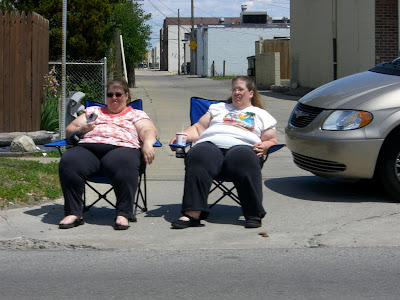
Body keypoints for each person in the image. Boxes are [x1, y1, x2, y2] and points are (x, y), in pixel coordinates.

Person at [169, 76, 278, 229]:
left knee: (245, 159)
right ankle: (192, 214)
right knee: (197, 155)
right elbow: (198, 128)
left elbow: (272, 139)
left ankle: (253, 213)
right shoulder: (218, 108)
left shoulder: (260, 114)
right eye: (234, 89)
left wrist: (266, 145)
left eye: (240, 89)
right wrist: (181, 137)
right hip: (211, 143)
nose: (236, 93)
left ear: (251, 93)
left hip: (243, 145)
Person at [58, 78, 157, 230]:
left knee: (124, 162)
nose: (114, 98)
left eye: (118, 94)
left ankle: (123, 213)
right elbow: (71, 128)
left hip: (121, 148)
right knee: (69, 160)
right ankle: (74, 213)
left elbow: (147, 130)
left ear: (126, 95)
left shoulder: (136, 114)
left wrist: (148, 144)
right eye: (110, 95)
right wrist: (82, 129)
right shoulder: (94, 111)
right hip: (89, 148)